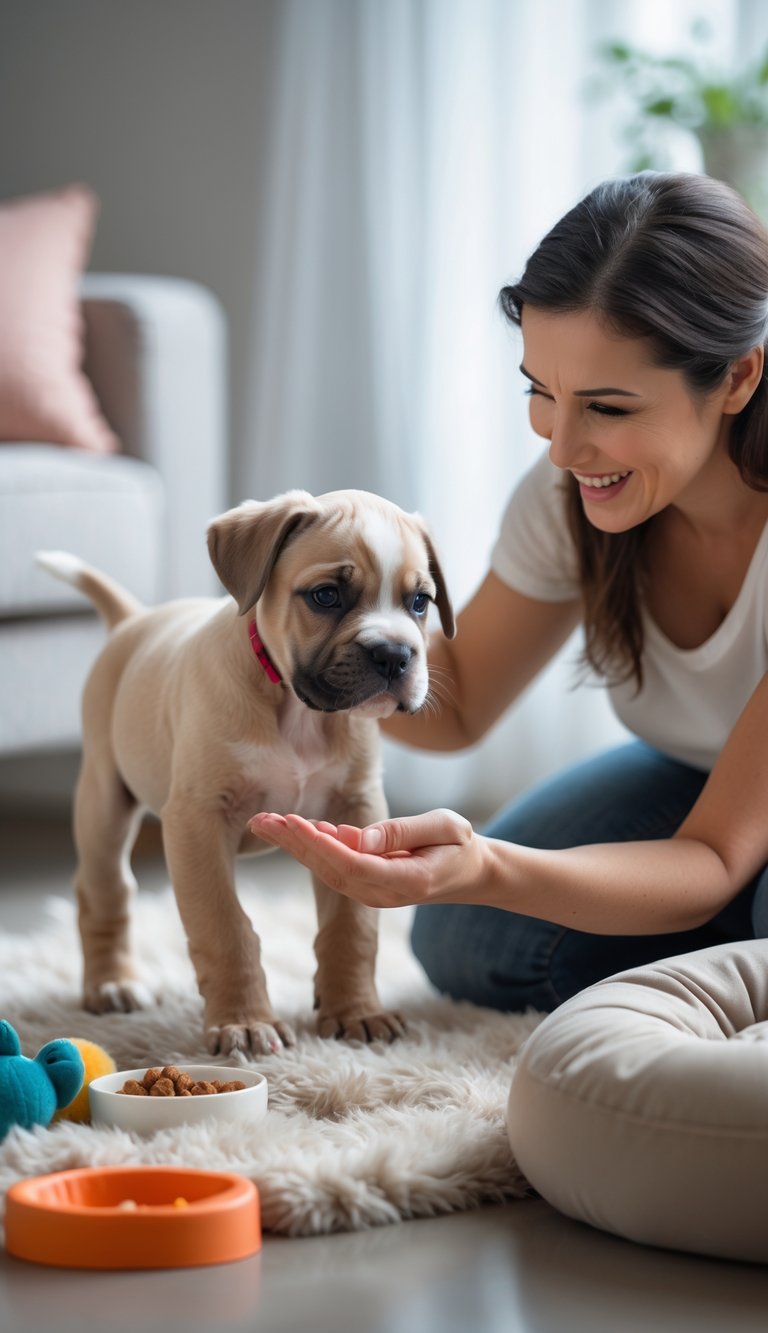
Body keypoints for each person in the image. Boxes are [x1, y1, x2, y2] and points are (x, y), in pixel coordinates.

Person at [251, 170, 768, 1014]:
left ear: (739, 378)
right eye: (541, 390)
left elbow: (711, 853)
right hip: (704, 779)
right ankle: (723, 945)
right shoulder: (576, 491)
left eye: (606, 405)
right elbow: (456, 703)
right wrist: (288, 645)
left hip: (721, 836)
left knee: (731, 893)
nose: (563, 448)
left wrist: (487, 862)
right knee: (468, 936)